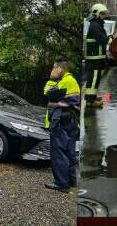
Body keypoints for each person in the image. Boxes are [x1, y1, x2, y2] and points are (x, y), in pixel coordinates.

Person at [44, 57, 81, 192]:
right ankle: (71, 181)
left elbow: (47, 92)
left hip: (61, 122)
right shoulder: (72, 81)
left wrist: (52, 79)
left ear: (60, 69)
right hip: (70, 121)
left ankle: (61, 183)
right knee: (70, 152)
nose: (53, 70)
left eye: (54, 68)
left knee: (59, 152)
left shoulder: (64, 81)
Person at [83, 3, 110, 109]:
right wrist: (109, 39)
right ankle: (90, 101)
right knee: (93, 78)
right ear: (96, 14)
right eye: (102, 13)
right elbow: (102, 39)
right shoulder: (95, 25)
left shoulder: (97, 24)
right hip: (94, 58)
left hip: (96, 57)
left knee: (95, 78)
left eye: (104, 13)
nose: (104, 15)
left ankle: (92, 96)